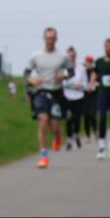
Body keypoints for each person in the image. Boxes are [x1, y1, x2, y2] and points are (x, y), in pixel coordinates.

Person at [24, 27, 73, 168]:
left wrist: (63, 76)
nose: (50, 41)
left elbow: (71, 71)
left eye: (53, 38)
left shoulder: (62, 56)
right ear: (44, 39)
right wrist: (31, 80)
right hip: (41, 92)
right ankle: (44, 156)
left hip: (57, 93)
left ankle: (58, 137)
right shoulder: (36, 56)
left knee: (55, 126)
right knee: (43, 120)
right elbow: (26, 73)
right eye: (48, 38)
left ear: (56, 39)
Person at [61, 46, 86, 150]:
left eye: (73, 56)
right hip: (67, 96)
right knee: (68, 118)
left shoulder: (81, 69)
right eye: (69, 56)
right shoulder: (63, 69)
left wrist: (81, 85)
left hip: (79, 96)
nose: (72, 58)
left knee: (77, 118)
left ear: (76, 56)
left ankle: (76, 135)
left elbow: (85, 83)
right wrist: (72, 85)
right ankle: (69, 139)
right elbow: (61, 83)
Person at [81, 54, 98, 142]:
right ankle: (88, 136)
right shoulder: (82, 71)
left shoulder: (95, 71)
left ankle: (95, 132)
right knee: (86, 116)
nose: (89, 63)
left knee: (92, 115)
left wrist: (94, 85)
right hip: (84, 95)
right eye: (88, 61)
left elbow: (98, 82)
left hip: (93, 95)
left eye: (90, 61)